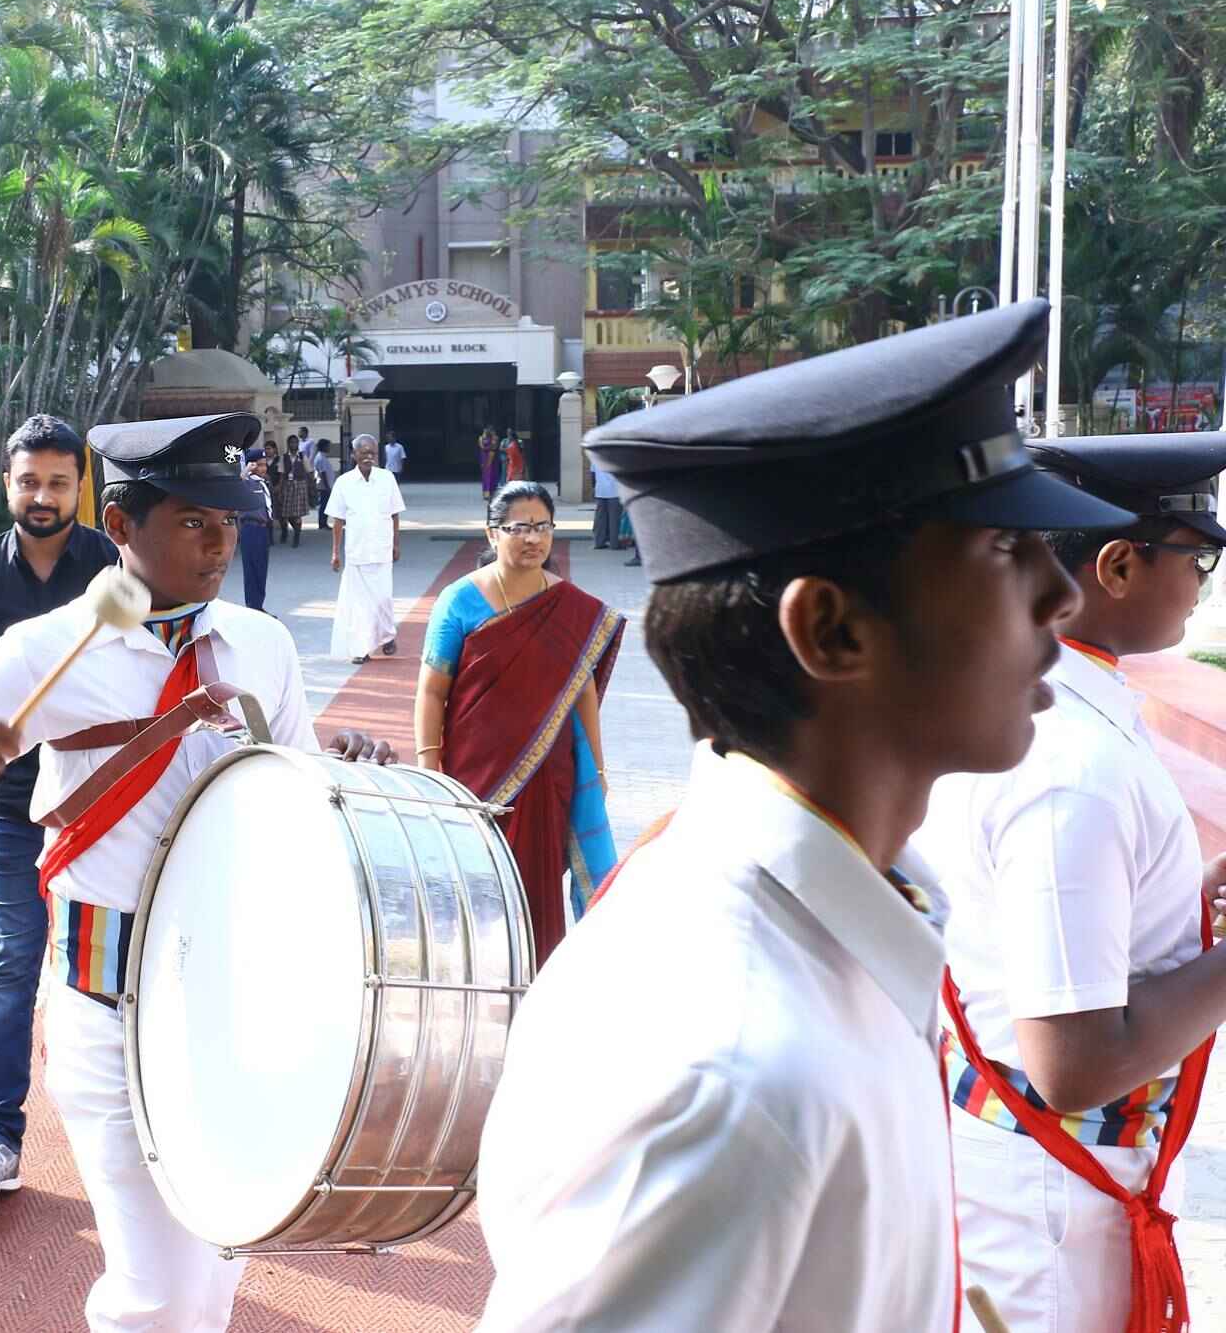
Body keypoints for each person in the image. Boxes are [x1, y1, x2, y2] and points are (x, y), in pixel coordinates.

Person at [473, 299, 1133, 1329]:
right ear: (829, 629)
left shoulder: (844, 927)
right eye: (1006, 548)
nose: (1060, 596)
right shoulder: (733, 1080)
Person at [0, 412, 393, 1331]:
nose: (221, 541)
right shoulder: (46, 650)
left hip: (236, 1006)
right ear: (120, 525)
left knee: (214, 1279)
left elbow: (294, 790)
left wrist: (345, 767)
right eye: (195, 521)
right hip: (106, 1009)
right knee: (153, 1294)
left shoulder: (261, 643)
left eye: (231, 520)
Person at [908, 431, 1226, 1333]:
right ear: (1118, 566)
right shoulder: (1072, 766)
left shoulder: (1044, 705)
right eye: (1196, 555)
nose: (1202, 580)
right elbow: (1076, 1063)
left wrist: (1177, 898)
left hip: (1031, 1173)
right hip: (1051, 1202)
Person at [0, 415, 118, 1196]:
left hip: (107, 806)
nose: (43, 496)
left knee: (116, 972)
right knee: (12, 965)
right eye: (28, 481)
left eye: (58, 481)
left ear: (82, 485)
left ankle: (137, 1131)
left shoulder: (116, 570)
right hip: (12, 810)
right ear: (5, 485)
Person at [416, 481, 622, 955]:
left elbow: (583, 690)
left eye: (543, 527)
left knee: (538, 883)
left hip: (550, 772)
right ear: (492, 535)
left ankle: (538, 982)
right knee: (480, 882)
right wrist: (430, 769)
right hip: (475, 773)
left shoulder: (570, 606)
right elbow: (431, 690)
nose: (533, 539)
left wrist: (601, 769)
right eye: (520, 528)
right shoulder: (459, 601)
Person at [328, 432, 407, 663]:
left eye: (372, 453)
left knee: (383, 600)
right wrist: (335, 552)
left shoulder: (387, 479)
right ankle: (360, 650)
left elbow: (394, 515)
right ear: (354, 455)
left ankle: (386, 635)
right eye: (364, 453)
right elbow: (338, 521)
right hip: (356, 553)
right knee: (359, 606)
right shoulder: (344, 483)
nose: (368, 457)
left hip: (381, 551)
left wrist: (395, 544)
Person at [238, 447, 274, 613]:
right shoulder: (246, 482)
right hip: (250, 529)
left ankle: (258, 605)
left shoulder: (263, 482)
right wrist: (245, 471)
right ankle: (252, 607)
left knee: (261, 569)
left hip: (263, 530)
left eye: (265, 465)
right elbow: (235, 486)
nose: (263, 468)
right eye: (259, 465)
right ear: (252, 465)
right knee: (251, 570)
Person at [273, 444, 310, 546]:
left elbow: (309, 471)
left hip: (300, 485)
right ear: (288, 444)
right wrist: (280, 489)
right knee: (286, 513)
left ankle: (296, 536)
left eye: (295, 442)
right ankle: (285, 531)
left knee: (297, 514)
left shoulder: (302, 456)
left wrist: (310, 487)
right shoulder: (284, 458)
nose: (294, 445)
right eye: (291, 442)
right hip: (287, 486)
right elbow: (281, 474)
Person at [591, 464, 622, 551]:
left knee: (600, 519)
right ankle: (614, 543)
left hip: (600, 491)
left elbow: (592, 475)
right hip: (615, 492)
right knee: (614, 520)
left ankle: (599, 543)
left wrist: (594, 488)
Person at [311, 437, 336, 530]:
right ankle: (322, 523)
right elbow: (323, 473)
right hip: (324, 486)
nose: (329, 448)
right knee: (324, 505)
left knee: (325, 504)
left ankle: (323, 522)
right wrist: (327, 486)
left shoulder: (322, 457)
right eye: (328, 446)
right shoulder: (320, 458)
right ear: (324, 447)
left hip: (326, 485)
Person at [478, 428, 503, 499]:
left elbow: (494, 447)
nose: (487, 432)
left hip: (493, 458)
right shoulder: (481, 438)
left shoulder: (494, 438)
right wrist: (488, 447)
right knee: (486, 476)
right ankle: (486, 494)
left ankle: (492, 493)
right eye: (485, 431)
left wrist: (488, 447)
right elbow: (482, 447)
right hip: (484, 458)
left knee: (493, 475)